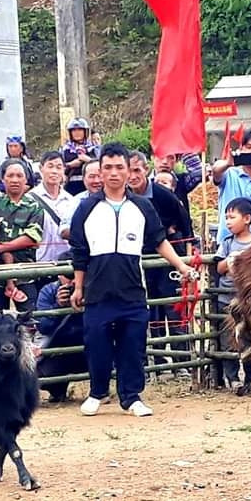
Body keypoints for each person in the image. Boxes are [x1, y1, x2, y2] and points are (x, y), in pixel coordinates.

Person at [67, 143, 199, 418]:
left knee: (133, 345)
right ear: (100, 172)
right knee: (97, 344)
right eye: (108, 168)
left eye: (119, 167)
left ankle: (131, 396)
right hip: (97, 290)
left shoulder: (142, 207)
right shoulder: (86, 207)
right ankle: (97, 392)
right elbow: (79, 251)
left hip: (133, 289)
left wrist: (182, 266)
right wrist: (78, 286)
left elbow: (159, 241)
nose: (113, 173)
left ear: (129, 171)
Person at [128, 151, 193, 376]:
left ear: (146, 170)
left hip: (168, 256)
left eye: (137, 170)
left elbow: (185, 222)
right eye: (129, 170)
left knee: (173, 306)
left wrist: (187, 251)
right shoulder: (122, 197)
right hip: (138, 258)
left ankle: (181, 360)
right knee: (148, 310)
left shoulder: (163, 194)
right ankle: (155, 360)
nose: (133, 176)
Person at [213, 197, 251, 395]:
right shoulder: (226, 244)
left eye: (232, 217)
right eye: (226, 217)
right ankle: (231, 377)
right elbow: (218, 267)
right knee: (228, 339)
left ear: (247, 219)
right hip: (227, 298)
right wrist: (231, 261)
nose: (228, 222)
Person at [34, 251, 87, 403]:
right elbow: (43, 327)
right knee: (39, 375)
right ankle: (58, 391)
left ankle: (99, 391)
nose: (72, 282)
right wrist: (58, 307)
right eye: (67, 275)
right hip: (59, 349)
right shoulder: (48, 291)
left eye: (75, 275)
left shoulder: (92, 288)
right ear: (58, 274)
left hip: (88, 346)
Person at [0, 159, 43, 312]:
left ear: (26, 179)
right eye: (10, 175)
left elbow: (32, 238)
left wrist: (1, 248)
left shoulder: (34, 206)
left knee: (30, 319)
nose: (15, 180)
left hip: (24, 273)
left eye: (19, 175)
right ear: (3, 179)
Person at [212, 129, 251, 245]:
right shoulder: (229, 173)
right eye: (249, 147)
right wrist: (228, 163)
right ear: (241, 149)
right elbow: (215, 170)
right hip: (227, 243)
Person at [27, 151, 75, 268]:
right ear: (41, 168)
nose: (54, 171)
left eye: (59, 167)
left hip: (66, 265)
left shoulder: (71, 201)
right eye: (50, 166)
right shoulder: (29, 199)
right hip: (39, 265)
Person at [61, 118, 100, 195]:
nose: (77, 133)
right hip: (71, 187)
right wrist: (70, 165)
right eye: (74, 130)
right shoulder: (65, 150)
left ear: (85, 131)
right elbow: (60, 167)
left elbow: (101, 166)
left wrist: (88, 160)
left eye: (80, 130)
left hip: (92, 185)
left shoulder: (94, 149)